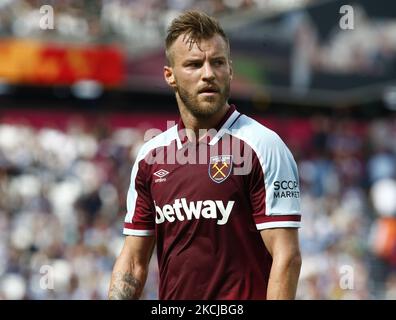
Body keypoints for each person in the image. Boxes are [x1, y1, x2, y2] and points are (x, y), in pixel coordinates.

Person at [108, 10, 302, 300]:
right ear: (170, 76)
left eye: (218, 62)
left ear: (231, 70)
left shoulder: (262, 146)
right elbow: (134, 262)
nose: (208, 74)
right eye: (195, 65)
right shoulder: (151, 156)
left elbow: (286, 257)